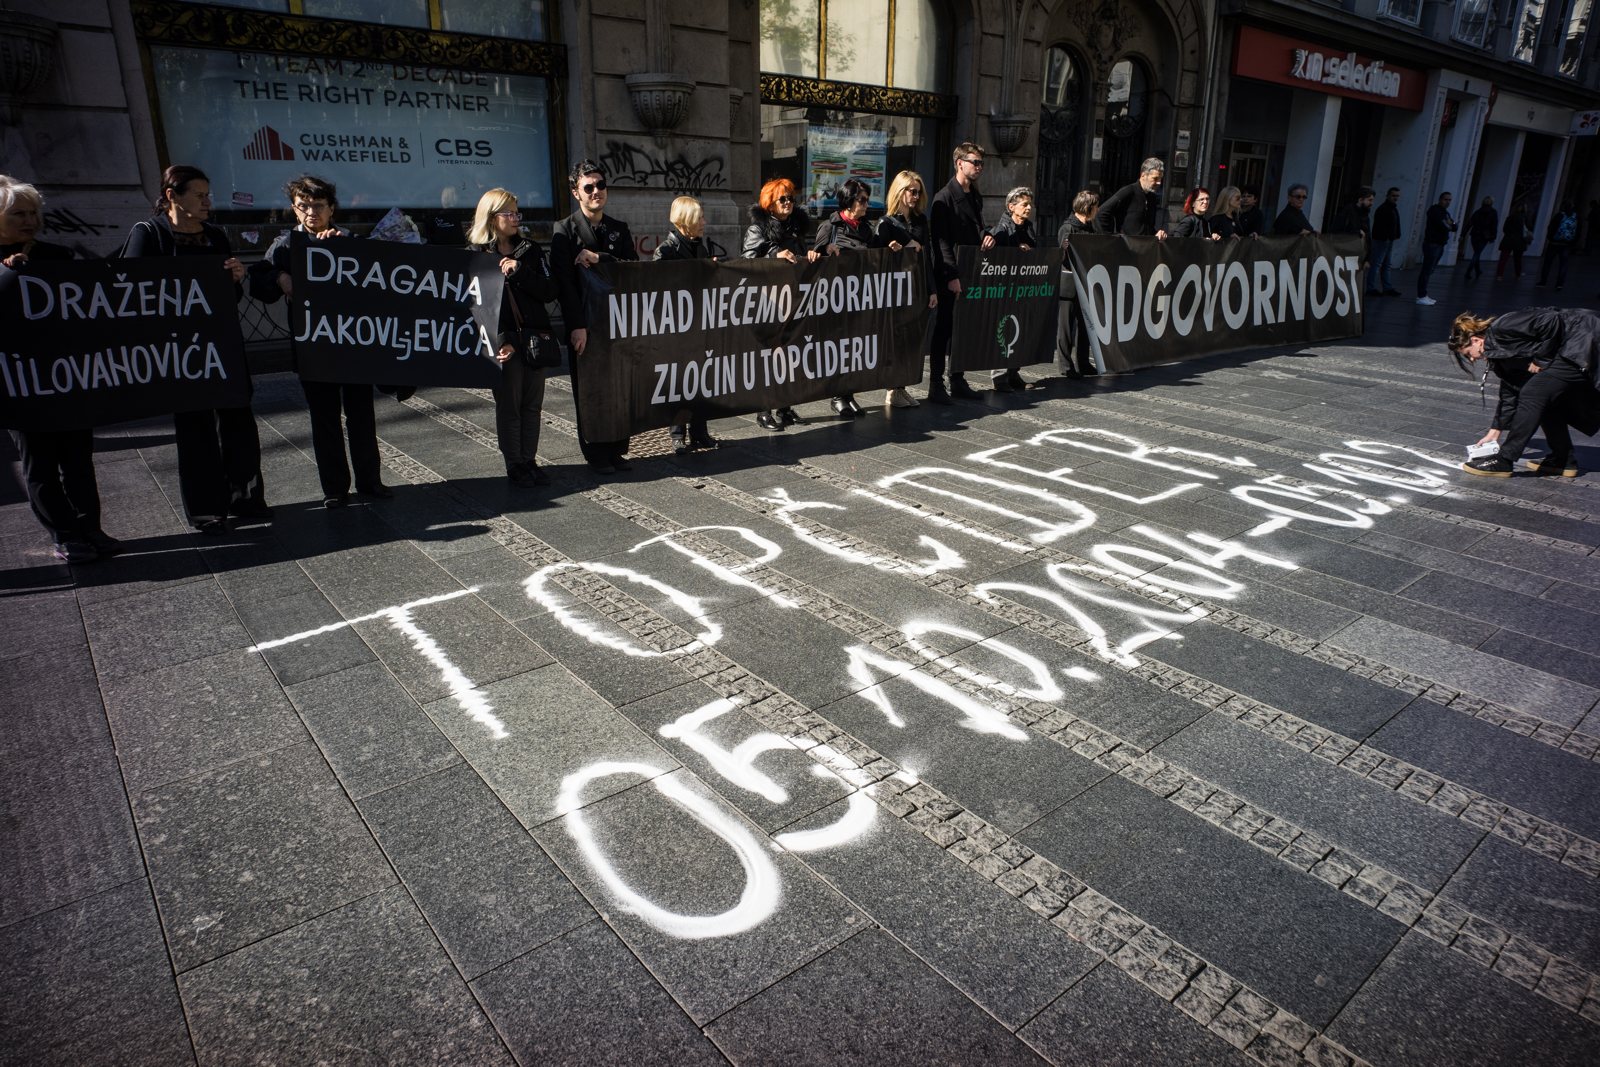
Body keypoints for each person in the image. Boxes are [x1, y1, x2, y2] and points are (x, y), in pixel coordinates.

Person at [123, 164, 264, 534]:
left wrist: (235, 278)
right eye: (198, 196)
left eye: (208, 195)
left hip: (221, 343)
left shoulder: (214, 236)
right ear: (172, 196)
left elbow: (226, 298)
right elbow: (128, 292)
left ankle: (245, 497)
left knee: (238, 420)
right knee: (195, 426)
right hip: (180, 350)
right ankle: (206, 508)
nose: (207, 203)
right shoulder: (148, 234)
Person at [249, 175, 389, 508]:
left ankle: (370, 482)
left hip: (354, 344)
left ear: (331, 208)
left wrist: (344, 246)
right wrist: (279, 277)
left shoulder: (348, 239)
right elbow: (258, 281)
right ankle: (335, 489)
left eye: (318, 206)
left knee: (361, 416)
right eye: (304, 206)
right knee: (324, 419)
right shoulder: (285, 246)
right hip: (314, 347)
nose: (311, 212)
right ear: (294, 209)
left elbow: (378, 284)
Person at [1, 177, 119, 563]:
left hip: (66, 378)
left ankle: (91, 528)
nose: (29, 221)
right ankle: (65, 534)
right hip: (21, 383)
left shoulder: (58, 257)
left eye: (34, 213)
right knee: (39, 462)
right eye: (19, 213)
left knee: (78, 460)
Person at [551, 159, 638, 475]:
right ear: (577, 192)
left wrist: (601, 257)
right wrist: (576, 326)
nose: (596, 192)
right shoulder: (564, 230)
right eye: (589, 187)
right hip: (585, 323)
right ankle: (596, 453)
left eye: (601, 185)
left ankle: (617, 450)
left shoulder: (619, 229)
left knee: (619, 386)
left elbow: (631, 270)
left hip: (616, 322)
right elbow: (564, 284)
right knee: (589, 389)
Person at [468, 187, 558, 487]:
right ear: (492, 218)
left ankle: (530, 459)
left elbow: (548, 291)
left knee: (532, 405)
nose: (515, 218)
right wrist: (498, 340)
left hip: (535, 339)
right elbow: (475, 306)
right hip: (504, 343)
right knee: (509, 407)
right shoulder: (477, 255)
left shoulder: (529, 250)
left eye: (517, 212)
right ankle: (514, 464)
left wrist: (520, 271)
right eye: (509, 213)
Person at [1449, 307, 1600, 477]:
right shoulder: (1499, 356)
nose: (1472, 359)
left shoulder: (1503, 326)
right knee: (1544, 399)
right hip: (1571, 348)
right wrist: (1495, 432)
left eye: (1469, 353)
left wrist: (1540, 359)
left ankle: (1505, 459)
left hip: (1585, 339)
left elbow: (1552, 320)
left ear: (1476, 340)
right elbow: (1510, 391)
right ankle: (1563, 459)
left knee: (1533, 393)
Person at [742, 177, 818, 430]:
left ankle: (785, 408)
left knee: (790, 355)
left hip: (792, 300)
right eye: (782, 199)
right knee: (768, 357)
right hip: (768, 302)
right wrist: (775, 255)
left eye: (791, 199)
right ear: (770, 203)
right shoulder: (758, 229)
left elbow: (800, 256)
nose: (788, 203)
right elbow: (749, 261)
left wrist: (809, 254)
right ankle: (764, 411)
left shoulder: (796, 227)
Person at [653, 196, 720, 453]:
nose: (704, 222)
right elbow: (656, 289)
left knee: (701, 378)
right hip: (677, 328)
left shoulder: (701, 247)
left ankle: (700, 431)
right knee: (680, 381)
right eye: (700, 217)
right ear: (686, 220)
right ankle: (677, 433)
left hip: (699, 325)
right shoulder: (666, 251)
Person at [930, 142, 994, 402]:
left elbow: (977, 226)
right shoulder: (943, 197)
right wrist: (951, 276)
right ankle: (936, 384)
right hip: (950, 270)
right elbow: (940, 241)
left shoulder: (974, 195)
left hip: (971, 266)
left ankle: (958, 379)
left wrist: (986, 235)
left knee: (963, 328)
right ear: (960, 163)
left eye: (981, 163)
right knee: (944, 328)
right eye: (974, 162)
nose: (978, 167)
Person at [813, 179, 876, 417]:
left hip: (859, 297)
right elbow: (815, 260)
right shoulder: (830, 227)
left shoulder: (866, 228)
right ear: (848, 201)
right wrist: (824, 252)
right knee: (838, 347)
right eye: (862, 200)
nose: (866, 204)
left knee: (853, 348)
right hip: (835, 298)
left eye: (867, 199)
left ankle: (849, 394)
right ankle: (837, 396)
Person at [875, 169, 938, 408]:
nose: (915, 195)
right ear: (900, 191)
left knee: (912, 339)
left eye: (918, 191)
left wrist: (932, 289)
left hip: (917, 285)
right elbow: (876, 253)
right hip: (894, 289)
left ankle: (901, 388)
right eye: (911, 191)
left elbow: (927, 256)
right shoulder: (886, 223)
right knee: (895, 338)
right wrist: (895, 245)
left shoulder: (921, 220)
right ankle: (892, 389)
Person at [1055, 189, 1099, 379]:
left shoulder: (1090, 227)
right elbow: (1061, 255)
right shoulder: (1068, 227)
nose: (1097, 210)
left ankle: (1083, 363)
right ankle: (1066, 366)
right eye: (1095, 206)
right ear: (1088, 208)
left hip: (1085, 282)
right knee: (1066, 328)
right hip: (1069, 284)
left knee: (1085, 326)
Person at [1095, 157, 1168, 239]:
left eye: (1160, 179)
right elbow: (1101, 213)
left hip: (1146, 248)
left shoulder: (1152, 197)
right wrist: (1111, 238)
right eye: (1155, 178)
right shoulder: (1128, 191)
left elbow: (1146, 227)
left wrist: (1157, 234)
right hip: (1127, 249)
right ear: (1143, 175)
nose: (1159, 183)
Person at [1416, 191, 1455, 305]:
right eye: (1445, 199)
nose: (1447, 202)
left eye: (1449, 200)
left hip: (1439, 243)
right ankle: (1421, 295)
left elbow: (1453, 226)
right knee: (1427, 270)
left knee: (1430, 270)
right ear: (1440, 199)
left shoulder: (1445, 213)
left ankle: (1423, 294)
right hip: (1432, 243)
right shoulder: (1435, 210)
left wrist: (1450, 225)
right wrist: (1449, 225)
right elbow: (1444, 226)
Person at [1537, 199, 1579, 291]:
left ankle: (1543, 282)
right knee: (1563, 264)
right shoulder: (1575, 217)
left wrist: (1550, 238)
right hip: (1566, 244)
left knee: (1548, 263)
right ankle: (1559, 284)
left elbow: (1551, 227)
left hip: (1554, 243)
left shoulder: (1559, 215)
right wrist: (1572, 242)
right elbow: (1578, 231)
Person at [1370, 187, 1402, 296]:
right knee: (1377, 264)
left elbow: (1395, 224)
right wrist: (1387, 237)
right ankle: (1371, 288)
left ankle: (1387, 287)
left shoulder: (1392, 208)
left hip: (1388, 240)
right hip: (1382, 240)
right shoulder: (1384, 209)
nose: (1396, 198)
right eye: (1393, 196)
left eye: (1397, 196)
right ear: (1388, 195)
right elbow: (1380, 226)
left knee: (1385, 264)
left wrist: (1395, 235)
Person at [1464, 196, 1498, 281]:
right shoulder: (1493, 212)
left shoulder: (1477, 212)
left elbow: (1469, 223)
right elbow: (1494, 225)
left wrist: (1463, 234)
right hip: (1484, 236)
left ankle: (1477, 270)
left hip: (1475, 234)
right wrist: (1493, 236)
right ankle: (1469, 271)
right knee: (1477, 253)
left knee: (1476, 253)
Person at [1497, 202, 1530, 281]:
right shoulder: (1525, 218)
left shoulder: (1510, 217)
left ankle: (1500, 275)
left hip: (1508, 240)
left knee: (1503, 259)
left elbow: (1505, 229)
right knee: (1518, 259)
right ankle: (1517, 274)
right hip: (1520, 241)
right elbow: (1529, 229)